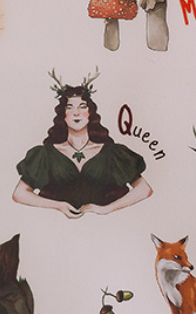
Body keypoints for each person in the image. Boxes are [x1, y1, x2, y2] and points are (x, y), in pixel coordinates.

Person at [12, 75, 151, 219]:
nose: (76, 113)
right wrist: (59, 206)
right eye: (69, 107)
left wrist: (106, 209)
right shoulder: (45, 155)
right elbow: (20, 193)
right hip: (56, 231)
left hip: (107, 230)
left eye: (82, 106)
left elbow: (144, 189)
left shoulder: (112, 153)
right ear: (62, 114)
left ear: (90, 112)